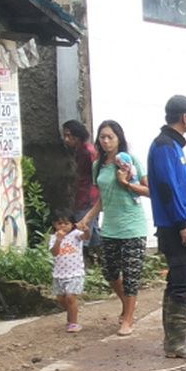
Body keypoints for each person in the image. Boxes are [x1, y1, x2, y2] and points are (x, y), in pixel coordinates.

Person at [76, 121, 150, 337]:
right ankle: (128, 304)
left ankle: (128, 319)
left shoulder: (130, 160)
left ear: (119, 139)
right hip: (110, 227)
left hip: (132, 226)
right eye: (102, 137)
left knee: (131, 275)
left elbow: (148, 190)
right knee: (109, 272)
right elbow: (102, 198)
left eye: (110, 137)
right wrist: (88, 219)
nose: (106, 141)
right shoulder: (98, 165)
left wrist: (127, 183)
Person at [149, 94, 186, 359]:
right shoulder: (163, 146)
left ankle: (176, 336)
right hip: (176, 226)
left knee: (178, 282)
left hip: (183, 222)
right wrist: (183, 224)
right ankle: (175, 342)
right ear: (185, 116)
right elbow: (166, 187)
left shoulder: (173, 145)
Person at [62, 120, 99, 254]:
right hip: (83, 196)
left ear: (77, 136)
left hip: (88, 197)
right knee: (93, 230)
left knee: (83, 230)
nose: (66, 139)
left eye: (68, 135)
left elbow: (96, 175)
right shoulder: (79, 151)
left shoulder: (88, 152)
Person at [49, 210, 85, 333]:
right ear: (54, 224)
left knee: (70, 297)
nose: (63, 226)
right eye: (60, 223)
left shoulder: (76, 234)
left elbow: (85, 237)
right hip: (59, 274)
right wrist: (59, 240)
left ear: (72, 224)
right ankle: (72, 313)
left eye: (66, 223)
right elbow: (54, 252)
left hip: (75, 273)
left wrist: (86, 230)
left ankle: (74, 323)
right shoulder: (53, 238)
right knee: (61, 298)